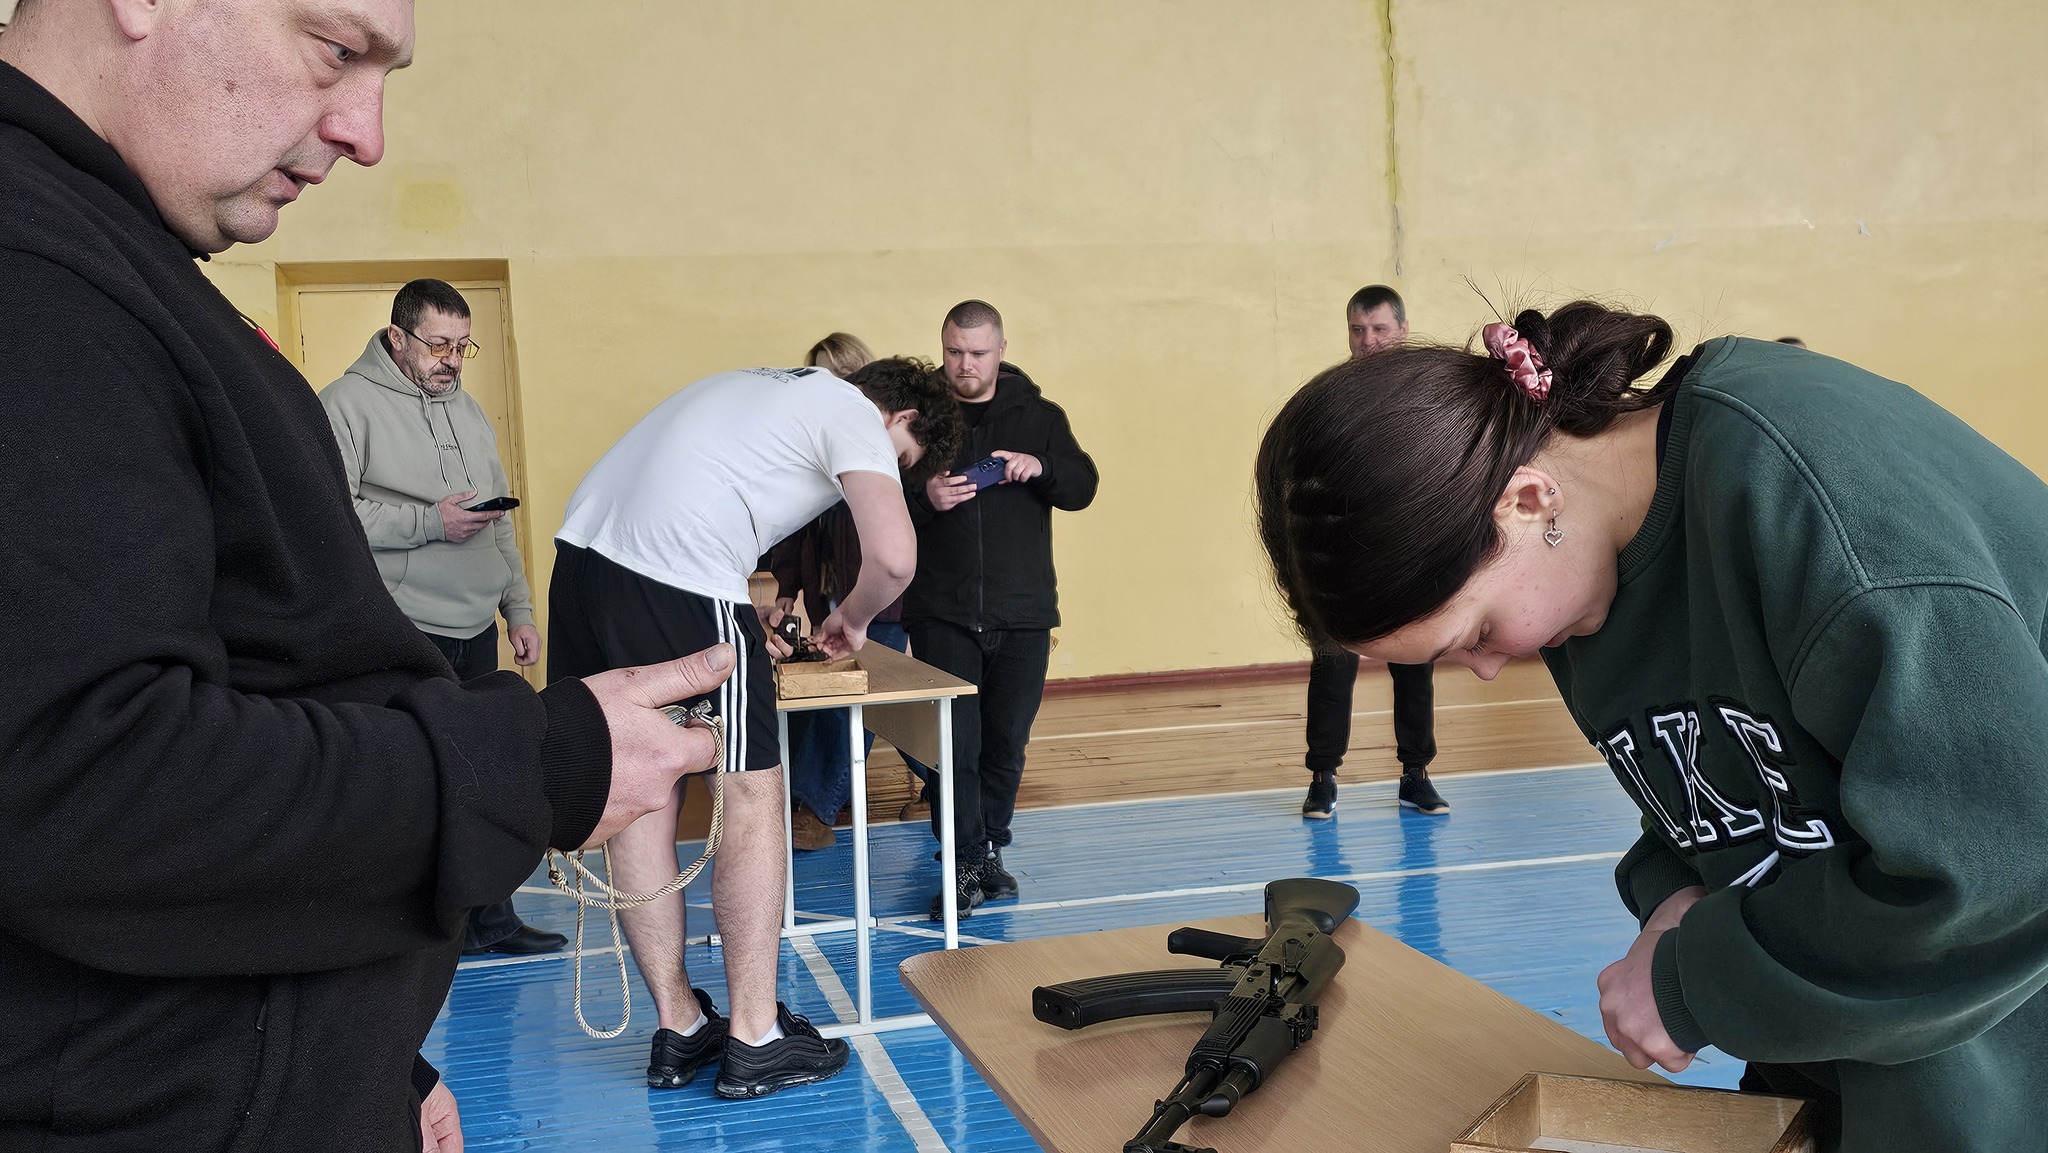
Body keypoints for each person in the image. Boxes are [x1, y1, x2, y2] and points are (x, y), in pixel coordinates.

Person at [0, 2, 725, 1149]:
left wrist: (381, 1056)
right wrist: (535, 764)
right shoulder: (37, 278)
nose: (366, 134)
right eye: (336, 50)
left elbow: (259, 669)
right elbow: (85, 785)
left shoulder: (113, 265)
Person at [1255, 300, 2048, 1152]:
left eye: (1477, 633)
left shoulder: (1816, 508)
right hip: (1855, 1067)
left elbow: (1999, 870)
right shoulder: (1577, 569)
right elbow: (1738, 796)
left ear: (1527, 500)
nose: (1487, 666)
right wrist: (1670, 888)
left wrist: (1696, 982)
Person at [548, 357, 961, 1097]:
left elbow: (687, 497)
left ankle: (680, 1026)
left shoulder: (770, 386)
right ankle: (756, 1035)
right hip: (674, 570)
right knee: (751, 791)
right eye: (901, 460)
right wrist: (853, 618)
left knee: (642, 790)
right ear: (901, 418)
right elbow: (894, 559)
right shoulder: (854, 409)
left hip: (582, 563)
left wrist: (741, 611)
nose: (886, 471)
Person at [318, 278, 568, 957]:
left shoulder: (470, 410)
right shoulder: (343, 404)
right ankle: (417, 934)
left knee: (490, 770)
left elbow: (496, 520)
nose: (452, 361)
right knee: (418, 778)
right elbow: (330, 515)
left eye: (462, 346)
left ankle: (491, 921)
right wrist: (431, 522)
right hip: (403, 624)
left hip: (476, 625)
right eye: (437, 345)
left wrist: (518, 608)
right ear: (396, 337)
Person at [908, 300, 1099, 918]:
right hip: (941, 611)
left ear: (1001, 351)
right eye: (954, 352)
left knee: (1006, 744)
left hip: (1024, 613)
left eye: (977, 353)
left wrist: (1043, 466)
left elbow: (1083, 486)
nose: (965, 364)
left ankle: (988, 850)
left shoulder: (1040, 417)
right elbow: (872, 501)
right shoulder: (919, 421)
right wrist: (924, 496)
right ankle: (962, 860)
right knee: (953, 745)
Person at [771, 333, 931, 850]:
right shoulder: (819, 438)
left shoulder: (889, 450)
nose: (832, 382)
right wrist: (786, 586)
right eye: (822, 372)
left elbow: (904, 543)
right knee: (877, 703)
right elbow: (795, 525)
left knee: (852, 701)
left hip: (882, 600)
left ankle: (813, 809)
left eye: (841, 373)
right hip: (830, 596)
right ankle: (947, 780)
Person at [1302, 284, 1449, 820]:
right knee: (1332, 666)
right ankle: (1322, 777)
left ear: (1402, 330)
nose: (1368, 340)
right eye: (1358, 330)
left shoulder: (1424, 397)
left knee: (1414, 667)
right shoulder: (1328, 398)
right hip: (1341, 557)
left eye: (1379, 329)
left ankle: (1416, 775)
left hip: (1405, 555)